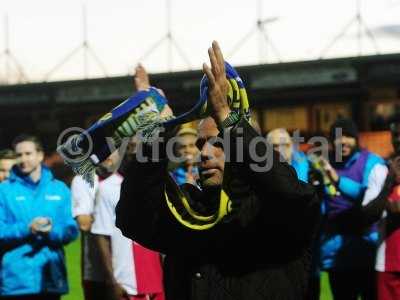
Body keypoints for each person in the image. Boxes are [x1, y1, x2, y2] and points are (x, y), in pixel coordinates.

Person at [116, 41, 320, 300]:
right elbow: (133, 219)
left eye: (218, 143)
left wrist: (228, 118)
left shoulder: (273, 209)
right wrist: (156, 138)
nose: (205, 153)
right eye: (201, 144)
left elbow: (289, 193)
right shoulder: (191, 209)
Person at [0, 134, 78, 299]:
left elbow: (71, 230)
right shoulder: (4, 191)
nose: (23, 159)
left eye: (28, 153)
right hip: (17, 279)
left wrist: (52, 230)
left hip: (51, 276)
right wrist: (28, 228)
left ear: (40, 155)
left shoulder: (59, 189)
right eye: (18, 155)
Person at [320, 118, 385, 300]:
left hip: (367, 250)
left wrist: (337, 180)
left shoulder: (372, 162)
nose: (343, 141)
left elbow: (369, 198)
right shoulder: (323, 163)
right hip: (336, 254)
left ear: (356, 138)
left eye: (348, 136)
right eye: (337, 137)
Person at [92, 150, 165, 300]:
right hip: (127, 282)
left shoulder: (159, 182)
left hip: (160, 279)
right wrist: (113, 281)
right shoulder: (107, 188)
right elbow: (101, 236)